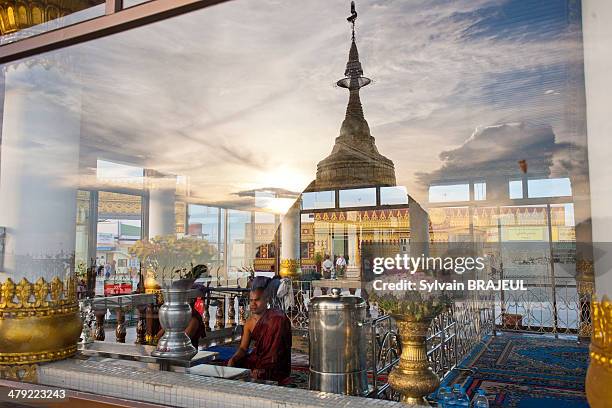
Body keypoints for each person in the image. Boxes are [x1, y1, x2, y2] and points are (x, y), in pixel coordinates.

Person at [227, 280, 292, 384]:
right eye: (251, 300)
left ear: (267, 300)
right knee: (232, 365)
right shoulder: (249, 323)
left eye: (257, 300)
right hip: (258, 359)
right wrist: (234, 359)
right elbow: (243, 348)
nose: (253, 304)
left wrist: (263, 367)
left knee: (263, 373)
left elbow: (281, 350)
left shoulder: (278, 318)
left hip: (275, 363)